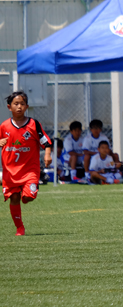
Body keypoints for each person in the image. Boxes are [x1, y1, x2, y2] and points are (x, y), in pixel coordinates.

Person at [0, 91, 52, 236]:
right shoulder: (4, 126)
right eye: (16, 104)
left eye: (22, 104)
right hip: (10, 171)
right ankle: (19, 228)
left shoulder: (34, 124)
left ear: (27, 106)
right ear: (9, 107)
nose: (19, 107)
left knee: (27, 197)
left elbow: (46, 142)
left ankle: (29, 190)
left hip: (30, 170)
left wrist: (47, 155)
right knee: (15, 197)